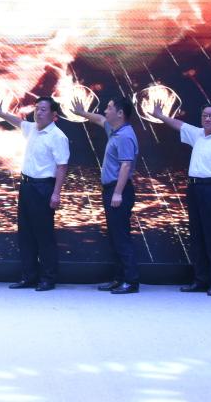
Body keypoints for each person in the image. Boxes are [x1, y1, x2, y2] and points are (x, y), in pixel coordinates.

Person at [153, 100, 211, 296]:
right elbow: (180, 125)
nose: (207, 119)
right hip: (194, 188)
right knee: (197, 235)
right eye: (204, 115)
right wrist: (160, 116)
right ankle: (200, 279)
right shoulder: (198, 135)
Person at [0, 96, 69, 291]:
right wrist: (0, 113)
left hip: (44, 187)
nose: (38, 112)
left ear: (54, 114)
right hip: (26, 186)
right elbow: (18, 122)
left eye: (43, 109)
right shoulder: (33, 129)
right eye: (37, 108)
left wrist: (56, 193)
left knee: (44, 235)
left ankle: (48, 278)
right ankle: (29, 276)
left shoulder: (58, 137)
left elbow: (62, 167)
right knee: (26, 234)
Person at [72, 95, 140, 294]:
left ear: (120, 113)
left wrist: (117, 193)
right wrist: (81, 113)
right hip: (112, 190)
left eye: (109, 107)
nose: (105, 111)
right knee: (115, 237)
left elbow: (126, 165)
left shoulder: (125, 136)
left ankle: (131, 281)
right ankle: (119, 278)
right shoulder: (116, 131)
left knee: (121, 237)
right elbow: (101, 120)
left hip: (119, 190)